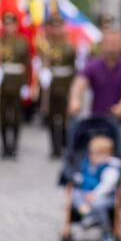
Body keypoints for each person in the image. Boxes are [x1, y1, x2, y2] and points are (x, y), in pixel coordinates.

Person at [68, 27, 121, 200]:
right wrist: (75, 100)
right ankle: (93, 190)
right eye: (108, 42)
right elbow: (79, 84)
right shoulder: (93, 66)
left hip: (120, 123)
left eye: (115, 42)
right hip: (98, 124)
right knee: (94, 157)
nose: (112, 46)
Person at [0, 13, 30, 159]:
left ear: (16, 25)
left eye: (11, 24)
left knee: (16, 117)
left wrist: (26, 84)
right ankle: (4, 146)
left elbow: (26, 64)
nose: (9, 27)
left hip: (17, 82)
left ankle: (14, 146)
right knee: (3, 117)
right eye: (6, 24)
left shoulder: (22, 42)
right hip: (2, 83)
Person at [36, 12, 76, 158]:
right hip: (50, 86)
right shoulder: (45, 46)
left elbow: (73, 68)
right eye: (54, 27)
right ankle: (54, 147)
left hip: (65, 85)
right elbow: (39, 63)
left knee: (65, 117)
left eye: (59, 27)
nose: (56, 30)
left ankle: (65, 145)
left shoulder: (69, 46)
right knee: (52, 117)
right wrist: (44, 73)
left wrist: (73, 87)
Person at [72, 134, 121, 241]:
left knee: (99, 204)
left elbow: (107, 185)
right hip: (86, 194)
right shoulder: (87, 165)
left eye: (99, 154)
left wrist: (95, 195)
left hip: (103, 196)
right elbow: (81, 178)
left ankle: (105, 231)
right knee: (75, 195)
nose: (93, 157)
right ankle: (87, 214)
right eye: (93, 154)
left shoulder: (111, 168)